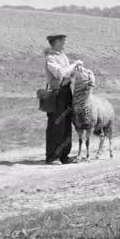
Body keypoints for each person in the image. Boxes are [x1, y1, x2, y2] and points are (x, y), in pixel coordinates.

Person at [44, 34, 83, 164]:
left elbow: (68, 73)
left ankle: (64, 156)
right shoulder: (50, 58)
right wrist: (74, 64)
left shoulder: (62, 56)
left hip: (66, 92)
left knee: (66, 124)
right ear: (56, 41)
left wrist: (76, 69)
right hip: (57, 93)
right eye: (62, 40)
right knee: (56, 125)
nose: (64, 42)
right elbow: (60, 73)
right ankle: (52, 157)